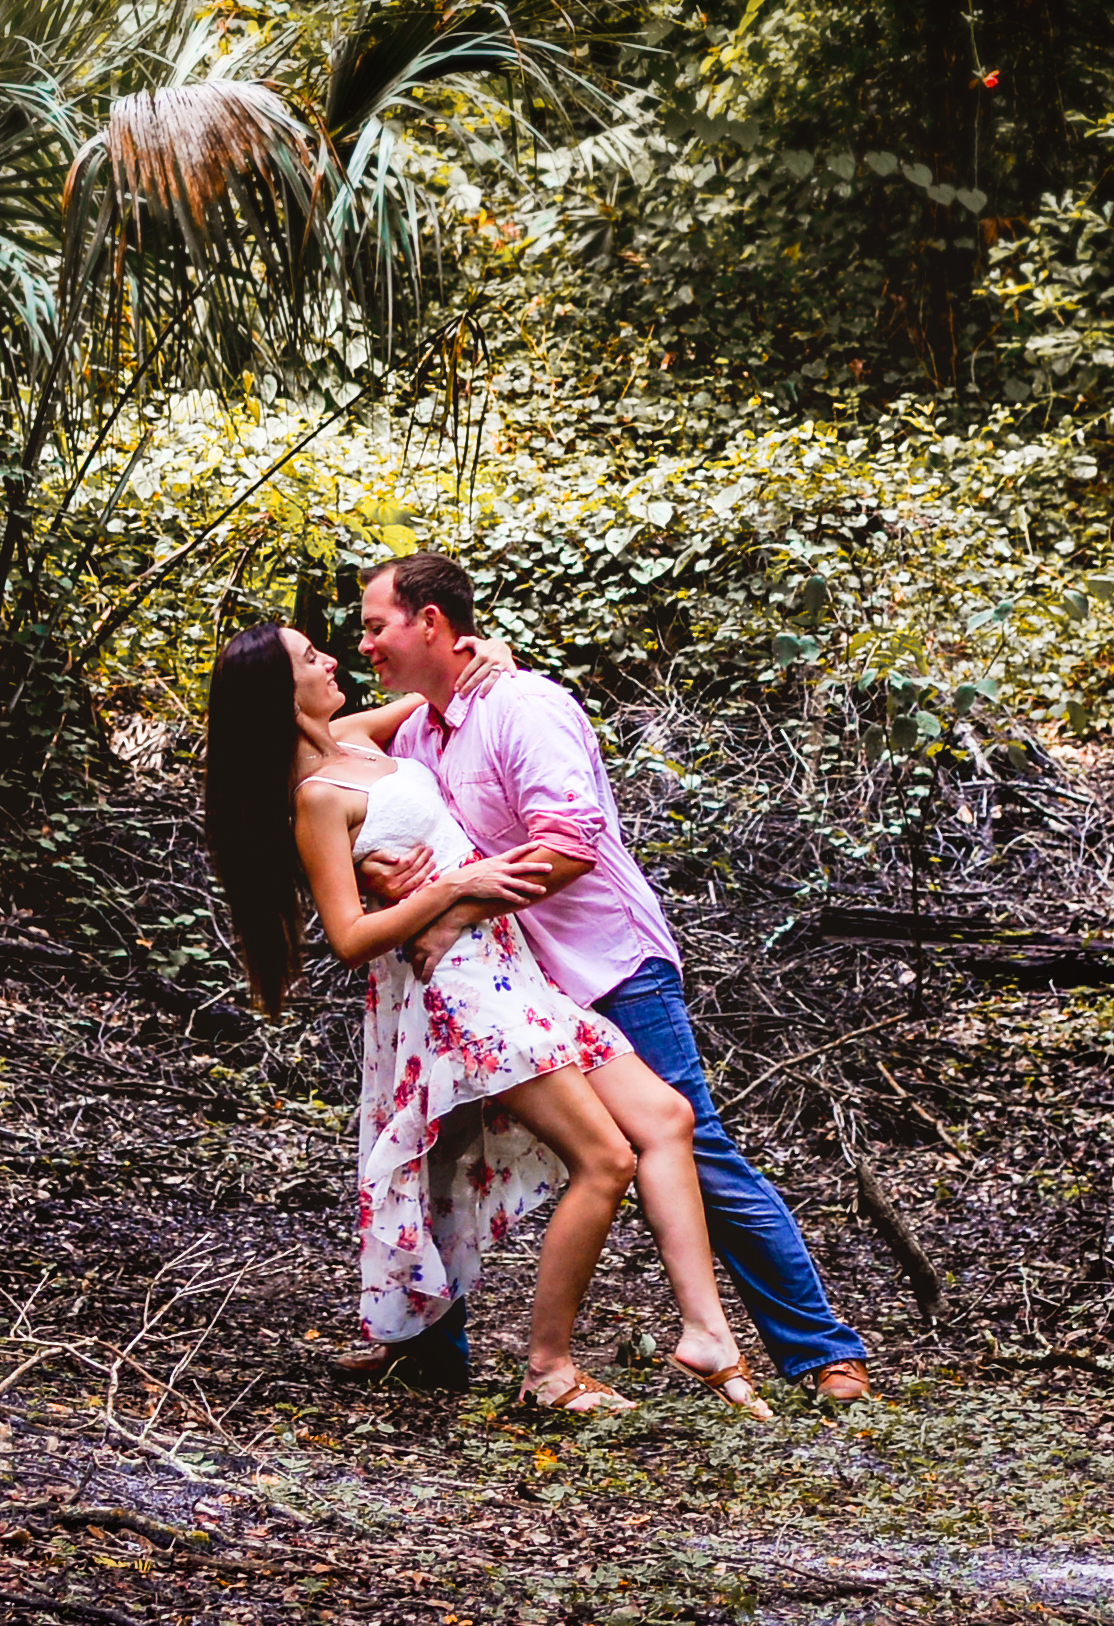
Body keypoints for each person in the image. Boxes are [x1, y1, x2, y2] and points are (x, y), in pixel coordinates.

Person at [199, 619, 771, 1417]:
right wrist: (441, 894)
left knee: (667, 1118)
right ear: (275, 693)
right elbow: (349, 939)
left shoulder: (352, 739)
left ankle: (705, 1333)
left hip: (512, 968)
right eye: (309, 657)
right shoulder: (318, 797)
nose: (332, 659)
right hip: (459, 990)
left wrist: (492, 654)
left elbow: (438, 693)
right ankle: (548, 1370)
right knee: (605, 1160)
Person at [344, 553, 878, 1406]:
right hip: (504, 988)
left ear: (432, 623)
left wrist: (454, 909)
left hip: (604, 965)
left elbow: (569, 841)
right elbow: (334, 764)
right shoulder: (416, 734)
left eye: (377, 625)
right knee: (442, 1149)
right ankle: (423, 1346)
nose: (364, 642)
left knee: (690, 1146)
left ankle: (819, 1353)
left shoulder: (524, 706)